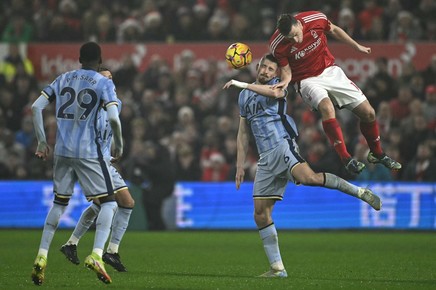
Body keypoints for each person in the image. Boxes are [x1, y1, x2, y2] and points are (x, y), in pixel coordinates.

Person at [223, 54, 381, 278]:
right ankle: (277, 268)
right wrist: (240, 165)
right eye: (264, 67)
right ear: (257, 66)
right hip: (266, 157)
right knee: (260, 214)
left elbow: (276, 93)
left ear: (276, 73)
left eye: (271, 69)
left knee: (310, 179)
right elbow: (242, 132)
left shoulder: (278, 85)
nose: (266, 72)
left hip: (282, 145)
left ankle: (360, 192)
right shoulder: (244, 97)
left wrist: (241, 82)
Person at [30, 42, 123, 285]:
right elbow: (113, 117)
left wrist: (41, 142)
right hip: (88, 151)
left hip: (61, 151)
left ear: (79, 58)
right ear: (100, 59)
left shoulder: (63, 78)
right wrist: (120, 146)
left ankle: (41, 256)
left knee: (59, 204)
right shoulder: (104, 82)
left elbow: (36, 107)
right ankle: (96, 254)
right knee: (110, 204)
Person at [269, 12, 401, 175]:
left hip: (330, 70)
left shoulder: (316, 19)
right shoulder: (277, 45)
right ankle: (345, 158)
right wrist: (285, 81)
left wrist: (356, 46)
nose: (295, 41)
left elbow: (334, 30)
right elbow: (286, 70)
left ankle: (377, 153)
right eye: (290, 38)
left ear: (298, 24)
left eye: (295, 35)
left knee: (369, 113)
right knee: (327, 107)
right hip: (306, 80)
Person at [60, 68, 134, 272]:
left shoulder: (116, 104)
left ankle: (79, 245)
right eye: (104, 78)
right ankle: (100, 252)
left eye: (111, 79)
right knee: (107, 204)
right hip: (90, 163)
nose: (109, 82)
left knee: (124, 203)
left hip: (105, 162)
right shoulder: (85, 108)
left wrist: (115, 146)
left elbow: (113, 121)